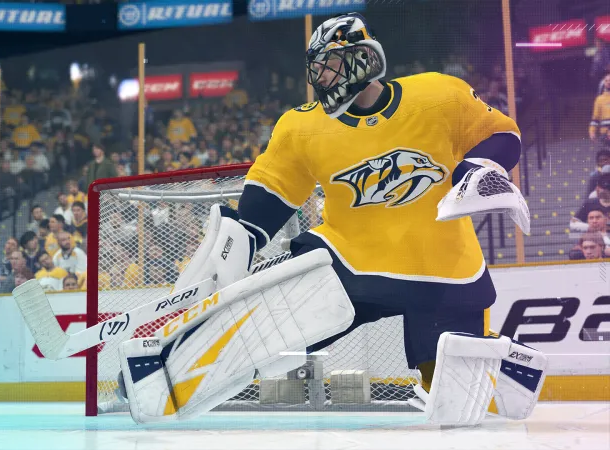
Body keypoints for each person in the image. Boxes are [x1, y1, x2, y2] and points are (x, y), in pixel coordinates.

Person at [126, 13, 543, 425]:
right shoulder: (303, 126)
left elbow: (502, 134)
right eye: (317, 68)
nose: (321, 77)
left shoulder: (438, 95)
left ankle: (503, 365)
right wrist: (241, 238)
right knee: (261, 336)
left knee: (454, 401)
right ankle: (165, 375)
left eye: (330, 65)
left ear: (363, 57)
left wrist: (479, 167)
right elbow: (271, 193)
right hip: (349, 260)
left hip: (440, 267)